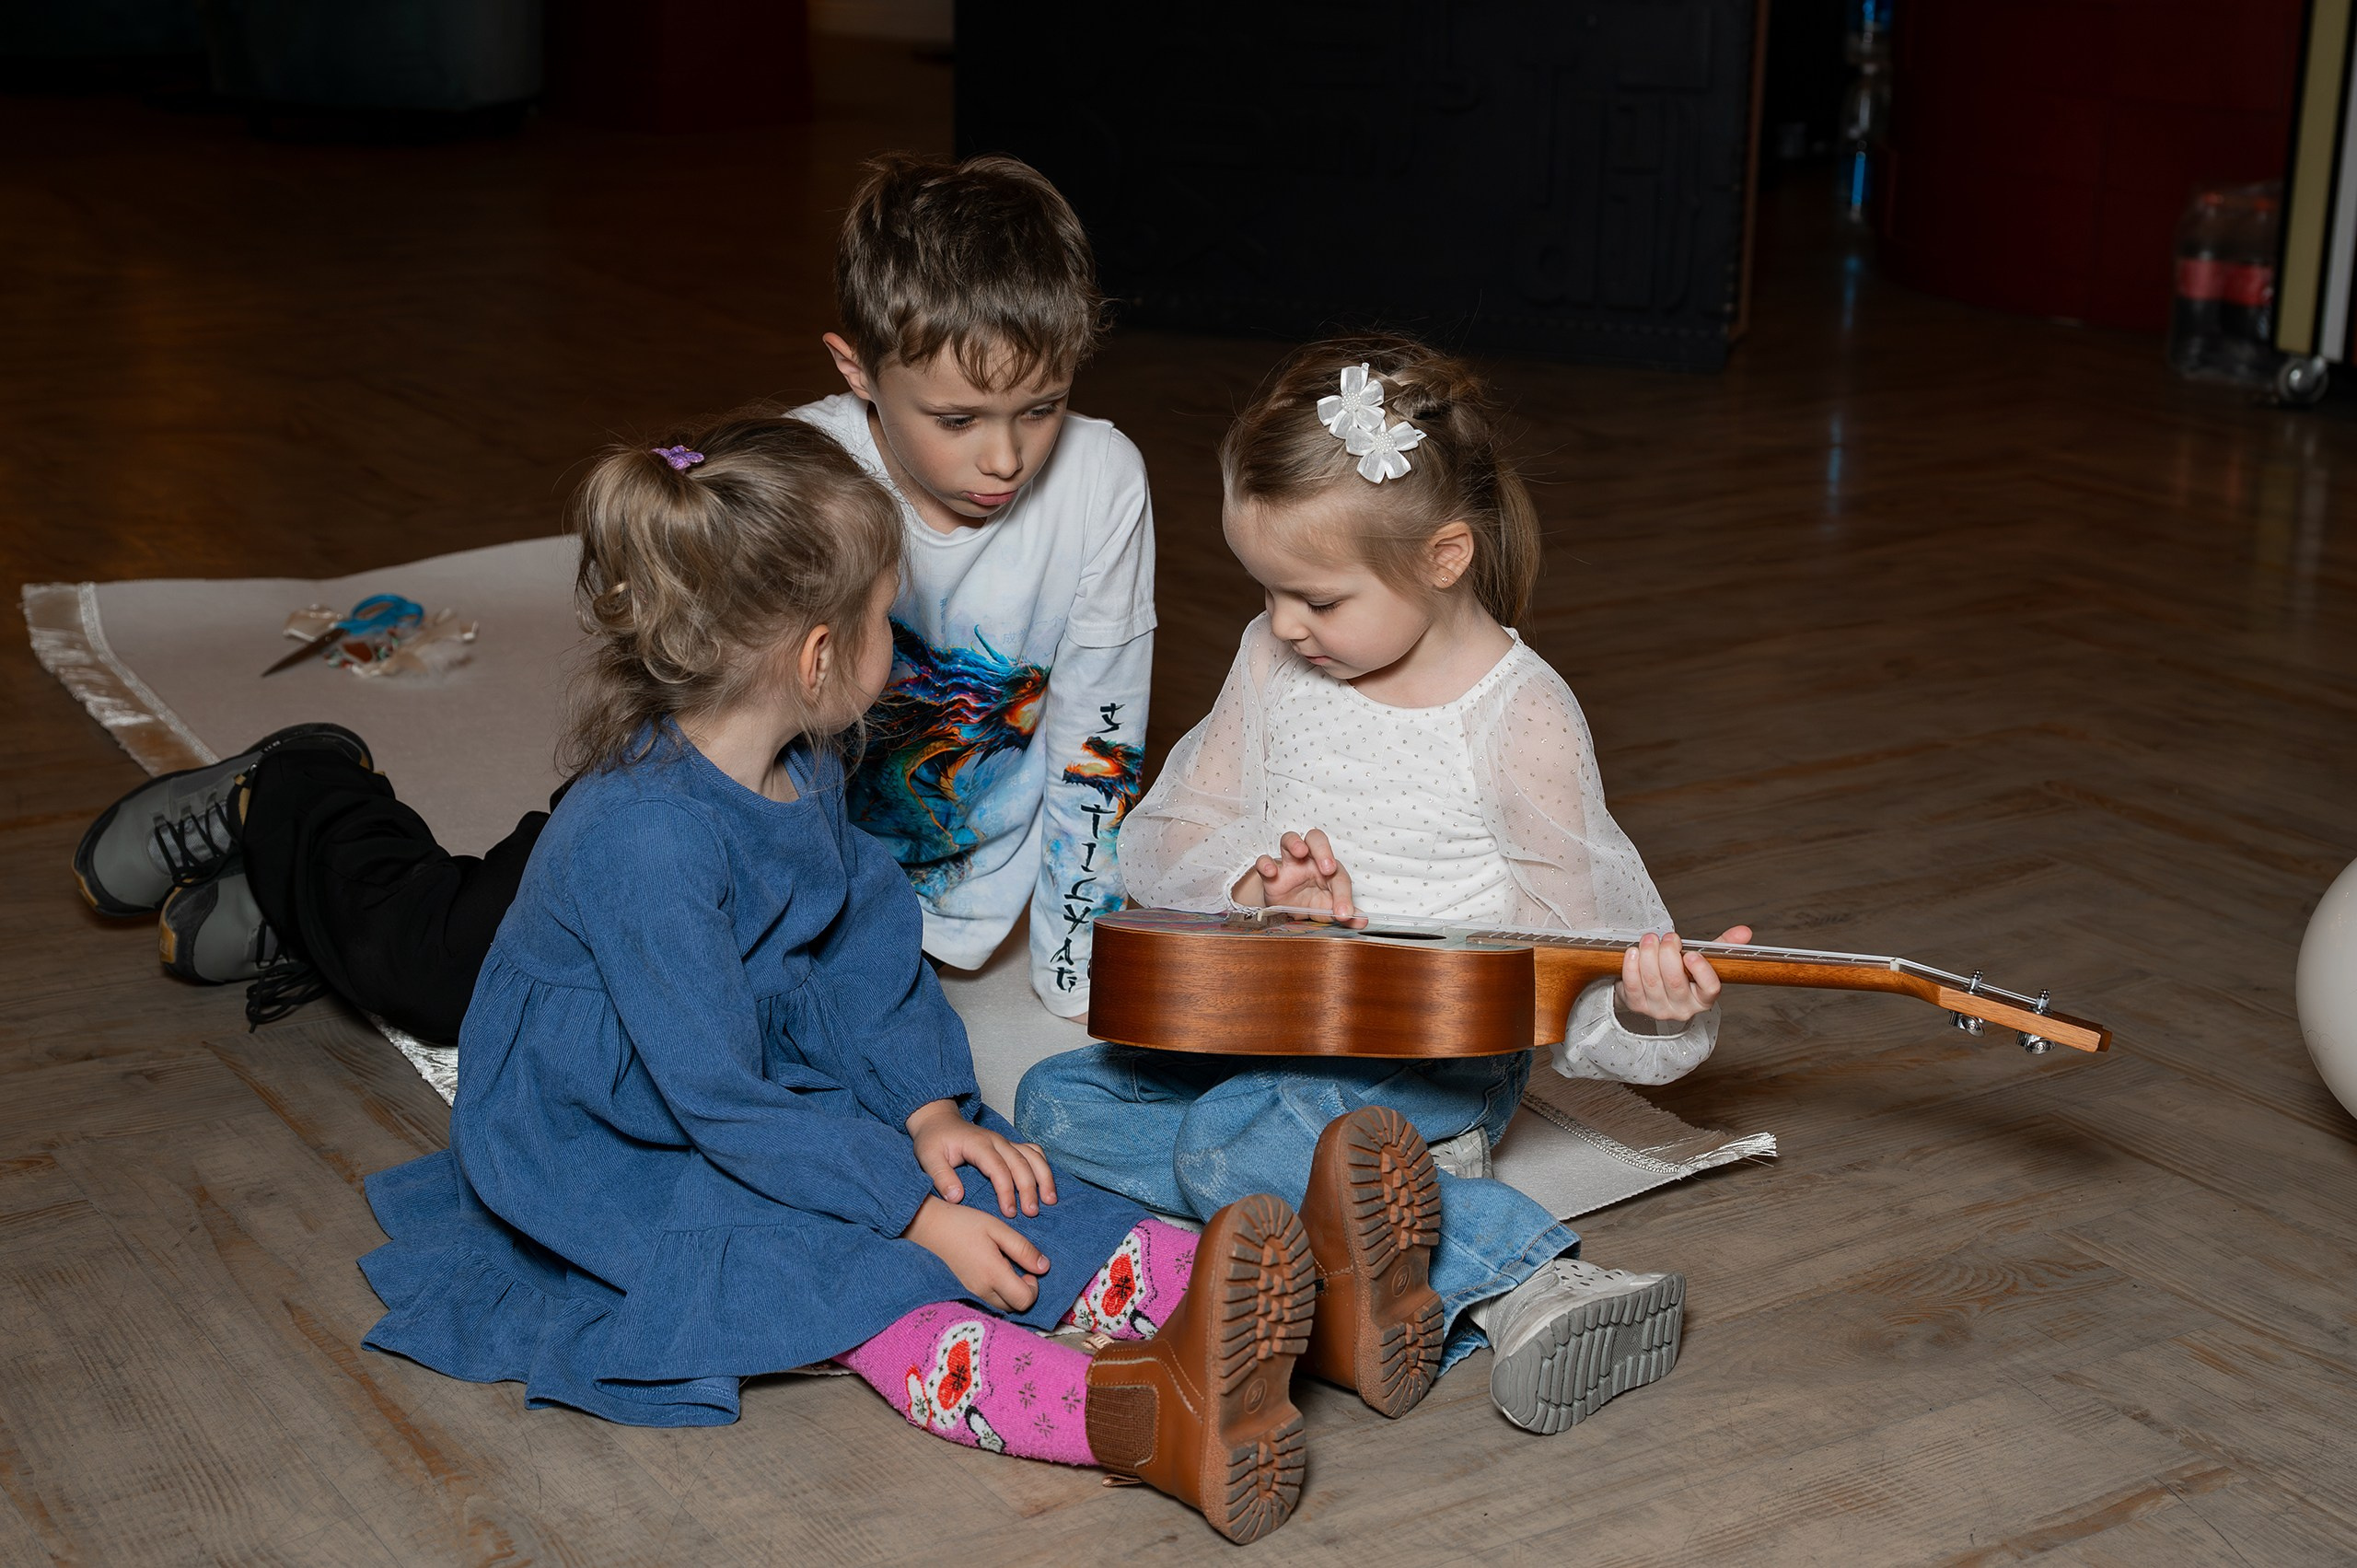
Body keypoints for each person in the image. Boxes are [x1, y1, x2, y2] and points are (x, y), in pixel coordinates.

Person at [348, 415, 1325, 1544]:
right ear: (818, 656)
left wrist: (924, 1108)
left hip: (752, 1078)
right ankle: (1141, 1417)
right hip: (622, 1129)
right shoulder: (642, 840)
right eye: (885, 625)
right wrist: (911, 1211)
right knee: (842, 1273)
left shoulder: (804, 759)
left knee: (1001, 1182)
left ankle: (1275, 1307)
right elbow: (713, 1096)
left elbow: (865, 942)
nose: (900, 654)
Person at [69, 151, 1153, 1035]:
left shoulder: (1102, 479)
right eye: (957, 419)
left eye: (1041, 407)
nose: (1004, 457)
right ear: (857, 368)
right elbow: (694, 722)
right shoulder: (807, 474)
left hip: (858, 891)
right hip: (701, 816)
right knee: (450, 983)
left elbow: (1097, 736)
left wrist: (1075, 970)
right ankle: (297, 792)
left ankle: (303, 901)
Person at [1016, 334, 1753, 1435]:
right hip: (1270, 1017)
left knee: (1229, 1133)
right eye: (1266, 589)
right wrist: (1254, 887)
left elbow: (1577, 940)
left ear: (1445, 556)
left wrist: (1646, 1006)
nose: (1282, 623)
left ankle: (1530, 1277)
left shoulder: (1520, 716)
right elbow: (1167, 835)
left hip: (1430, 1053)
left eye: (1315, 596)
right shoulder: (1275, 657)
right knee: (1055, 1101)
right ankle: (1366, 1235)